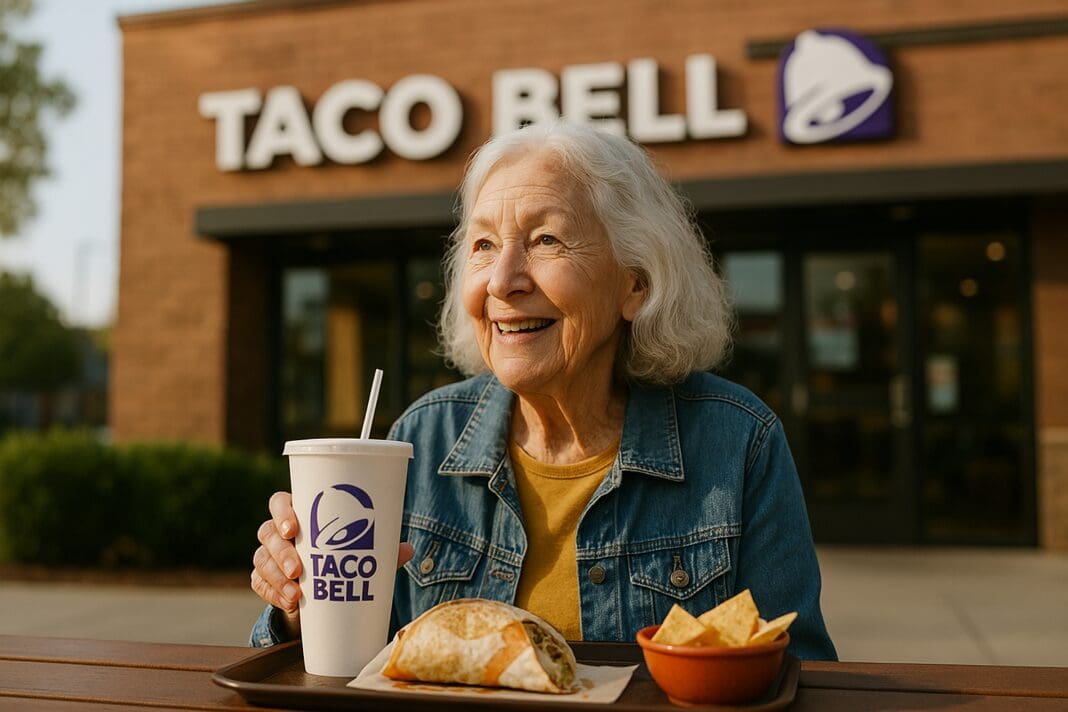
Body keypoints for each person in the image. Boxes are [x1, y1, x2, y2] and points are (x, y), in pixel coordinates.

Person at [250, 121, 837, 660]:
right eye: (483, 246)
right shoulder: (423, 437)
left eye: (546, 240)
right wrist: (297, 607)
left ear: (636, 283)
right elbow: (359, 666)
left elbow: (799, 671)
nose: (502, 281)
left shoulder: (737, 443)